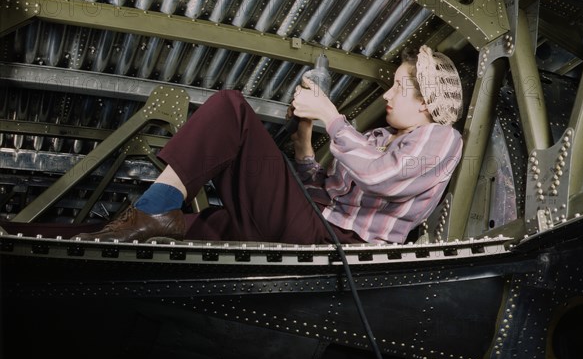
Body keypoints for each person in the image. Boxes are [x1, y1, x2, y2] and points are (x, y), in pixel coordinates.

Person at [73, 45, 463, 245]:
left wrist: (330, 115)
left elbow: (385, 177)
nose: (387, 96)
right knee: (199, 226)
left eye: (400, 86)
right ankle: (65, 234)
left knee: (232, 108)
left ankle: (151, 210)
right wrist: (304, 145)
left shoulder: (441, 137)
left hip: (341, 245)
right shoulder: (376, 139)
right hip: (316, 225)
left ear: (427, 100)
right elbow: (322, 195)